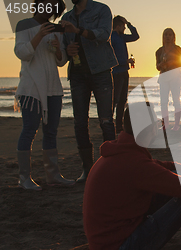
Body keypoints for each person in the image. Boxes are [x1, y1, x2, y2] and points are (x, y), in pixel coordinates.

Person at [83, 104, 181, 250]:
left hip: (113, 238)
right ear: (148, 129)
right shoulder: (135, 165)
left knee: (179, 188)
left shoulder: (122, 153)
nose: (159, 128)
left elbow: (165, 166)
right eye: (157, 123)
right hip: (122, 245)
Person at [14, 0, 74, 190]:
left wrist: (58, 48)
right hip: (31, 88)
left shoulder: (56, 29)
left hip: (53, 89)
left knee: (51, 132)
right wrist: (39, 34)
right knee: (29, 130)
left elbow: (61, 61)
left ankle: (53, 175)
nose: (50, 10)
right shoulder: (24, 24)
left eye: (54, 8)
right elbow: (21, 53)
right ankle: (24, 178)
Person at [60, 0, 118, 182]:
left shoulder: (102, 10)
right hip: (77, 75)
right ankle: (88, 170)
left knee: (106, 121)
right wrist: (67, 50)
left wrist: (78, 31)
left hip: (100, 71)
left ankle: (110, 168)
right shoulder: (66, 17)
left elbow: (103, 35)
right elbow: (62, 47)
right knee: (79, 123)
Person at [111, 15, 139, 134]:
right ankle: (109, 123)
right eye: (123, 26)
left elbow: (135, 36)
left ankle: (118, 125)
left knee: (122, 99)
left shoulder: (122, 37)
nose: (124, 28)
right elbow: (112, 58)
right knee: (114, 99)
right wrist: (125, 61)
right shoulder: (112, 38)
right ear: (118, 26)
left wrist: (128, 23)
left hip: (124, 72)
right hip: (116, 72)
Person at [156, 28, 181, 131]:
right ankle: (165, 124)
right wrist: (161, 64)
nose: (167, 37)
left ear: (173, 37)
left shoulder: (178, 50)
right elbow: (157, 67)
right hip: (163, 76)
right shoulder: (159, 51)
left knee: (176, 101)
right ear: (163, 37)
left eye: (169, 35)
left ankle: (176, 125)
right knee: (163, 101)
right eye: (166, 35)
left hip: (175, 77)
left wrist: (170, 63)